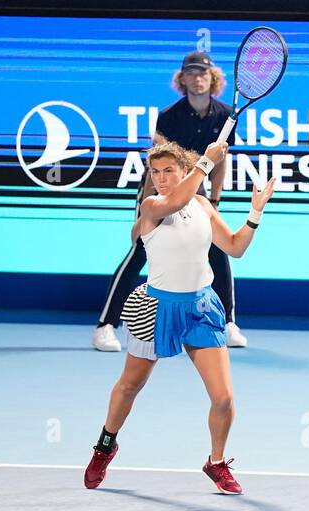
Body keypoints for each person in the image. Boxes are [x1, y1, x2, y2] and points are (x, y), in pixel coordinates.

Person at [84, 139, 276, 494]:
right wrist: (207, 161)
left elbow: (235, 247)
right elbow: (174, 201)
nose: (161, 178)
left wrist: (255, 214)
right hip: (156, 310)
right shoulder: (152, 205)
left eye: (169, 170)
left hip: (201, 308)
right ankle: (105, 446)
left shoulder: (202, 204)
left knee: (223, 398)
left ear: (183, 171)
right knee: (129, 386)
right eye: (155, 172)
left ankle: (216, 462)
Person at [93, 50, 248, 351]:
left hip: (196, 190)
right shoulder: (169, 116)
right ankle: (106, 325)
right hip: (160, 187)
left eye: (202, 73)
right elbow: (157, 163)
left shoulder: (224, 114)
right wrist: (150, 204)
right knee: (140, 251)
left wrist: (214, 199)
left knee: (218, 250)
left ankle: (228, 321)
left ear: (212, 78)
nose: (197, 78)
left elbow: (220, 161)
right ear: (183, 79)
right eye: (190, 73)